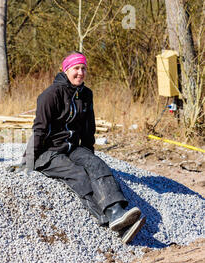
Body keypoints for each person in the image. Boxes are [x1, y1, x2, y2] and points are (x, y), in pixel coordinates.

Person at [9, 51, 145, 244]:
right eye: (76, 68)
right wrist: (28, 160)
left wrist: (89, 154)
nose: (80, 73)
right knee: (79, 175)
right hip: (48, 152)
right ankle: (111, 223)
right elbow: (39, 130)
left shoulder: (86, 94)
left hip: (73, 147)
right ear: (66, 70)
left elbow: (89, 128)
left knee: (96, 165)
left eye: (83, 68)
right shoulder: (50, 95)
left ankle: (116, 211)